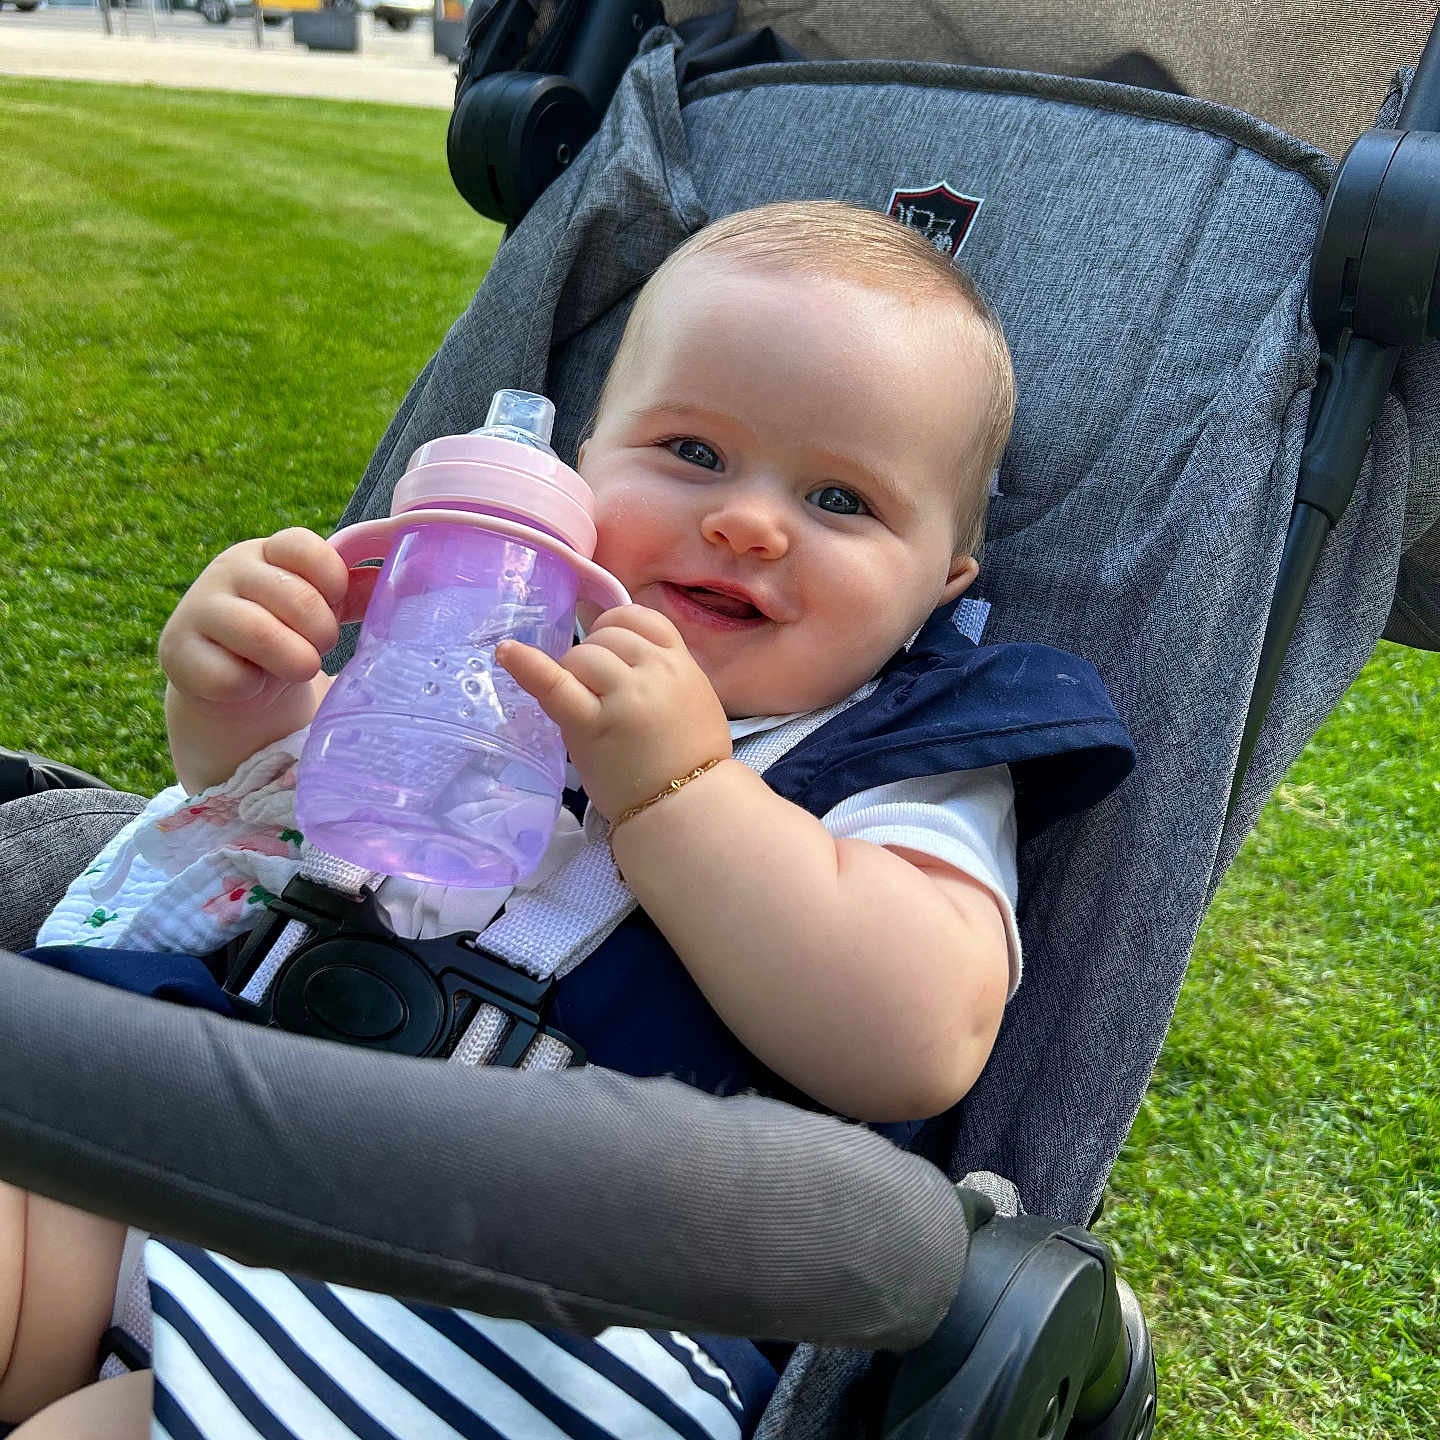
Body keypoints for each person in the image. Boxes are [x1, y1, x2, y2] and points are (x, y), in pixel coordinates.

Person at [1, 200, 1131, 1440]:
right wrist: (251, 704)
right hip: (225, 1123)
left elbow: (917, 1037)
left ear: (940, 586)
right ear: (582, 466)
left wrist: (683, 794)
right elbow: (288, 825)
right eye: (692, 451)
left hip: (531, 1308)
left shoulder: (909, 764)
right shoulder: (493, 626)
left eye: (840, 499)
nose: (748, 522)